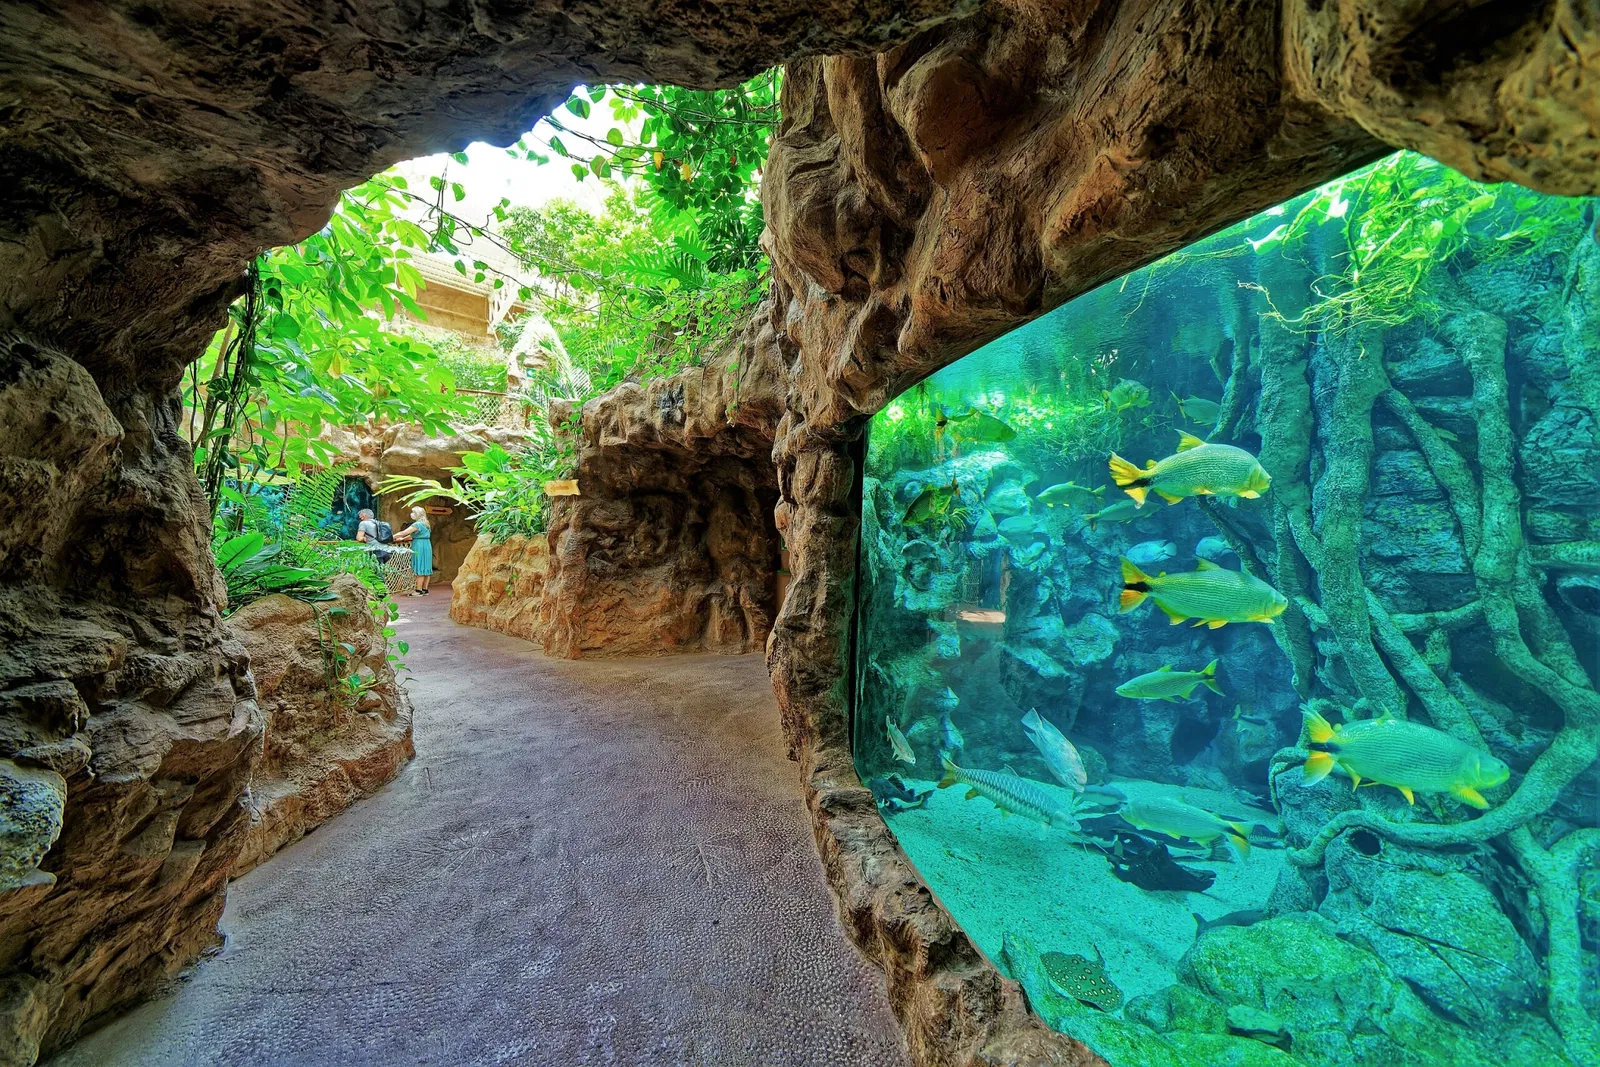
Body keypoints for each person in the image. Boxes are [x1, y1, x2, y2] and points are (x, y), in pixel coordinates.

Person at [394, 506, 433, 596]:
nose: (412, 514)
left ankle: (418, 590)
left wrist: (390, 537)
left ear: (418, 514)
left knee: (420, 566)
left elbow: (403, 533)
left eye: (414, 513)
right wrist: (403, 539)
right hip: (427, 545)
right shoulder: (426, 524)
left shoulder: (417, 524)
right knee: (426, 566)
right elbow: (414, 535)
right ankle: (425, 589)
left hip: (419, 545)